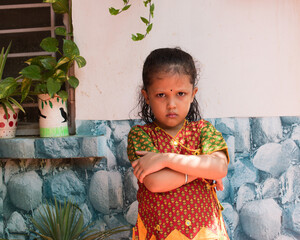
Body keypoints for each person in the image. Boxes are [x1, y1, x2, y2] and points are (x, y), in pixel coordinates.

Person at [127, 47, 230, 240]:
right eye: (161, 95)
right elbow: (155, 182)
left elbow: (220, 167)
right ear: (147, 96)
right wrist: (202, 170)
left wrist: (166, 159)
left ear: (193, 94)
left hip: (206, 234)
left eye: (180, 93)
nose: (171, 104)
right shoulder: (141, 135)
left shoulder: (203, 130)